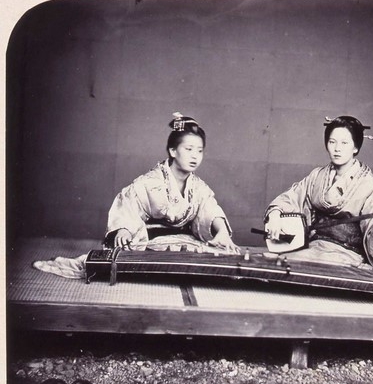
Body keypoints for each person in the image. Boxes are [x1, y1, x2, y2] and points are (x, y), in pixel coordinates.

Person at [33, 112, 239, 279]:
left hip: (184, 242)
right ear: (173, 151)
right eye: (189, 149)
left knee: (223, 255)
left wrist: (221, 232)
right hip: (147, 243)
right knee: (120, 257)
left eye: (200, 151)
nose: (195, 156)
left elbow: (210, 208)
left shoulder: (198, 187)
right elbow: (128, 205)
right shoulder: (150, 182)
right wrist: (123, 230)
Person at [264, 115, 373, 272]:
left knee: (305, 269)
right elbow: (291, 197)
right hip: (313, 247)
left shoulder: (369, 186)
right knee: (278, 265)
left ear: (356, 147)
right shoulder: (317, 176)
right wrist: (275, 214)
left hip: (346, 253)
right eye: (332, 142)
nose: (337, 148)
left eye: (344, 143)